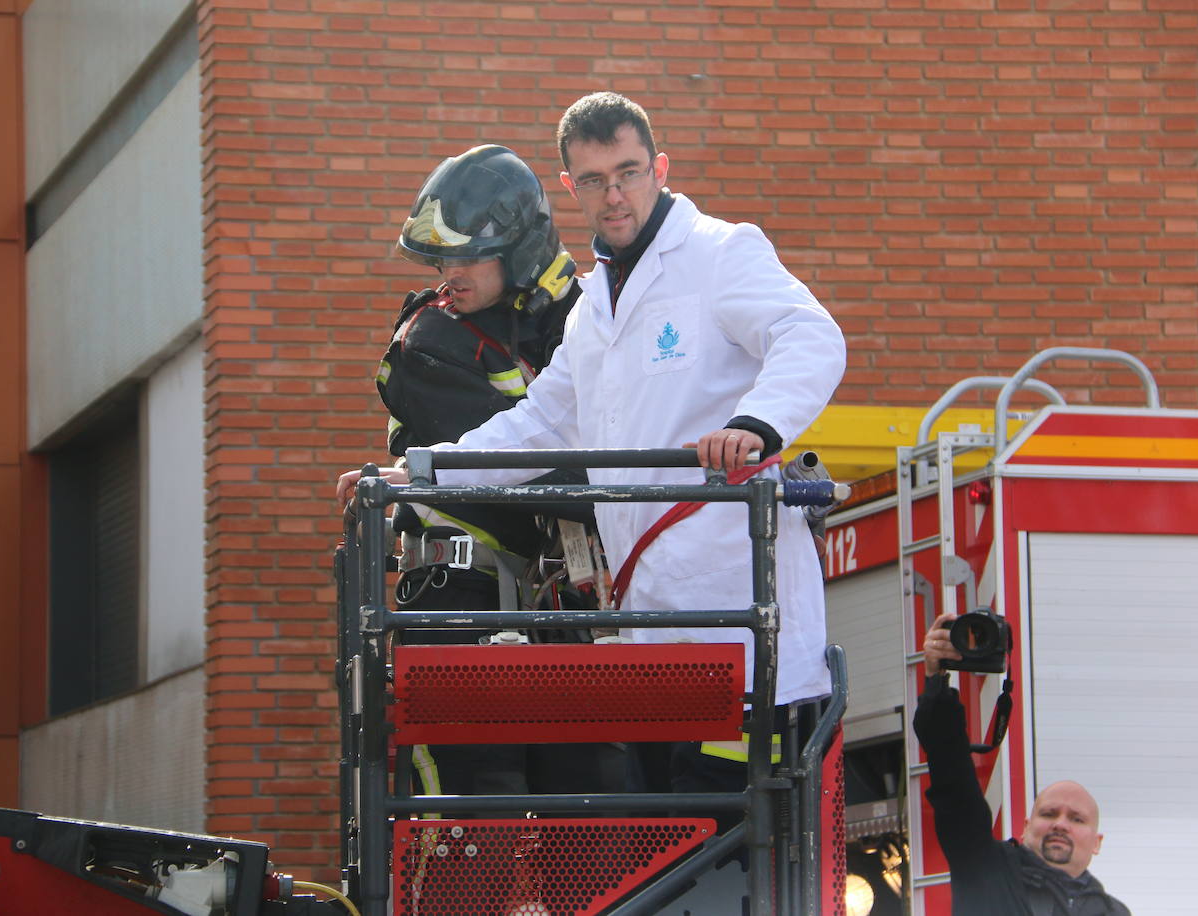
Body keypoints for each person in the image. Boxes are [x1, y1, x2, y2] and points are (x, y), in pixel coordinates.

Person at [339, 92, 846, 794]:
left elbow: (809, 335)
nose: (616, 195)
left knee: (742, 849)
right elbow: (539, 424)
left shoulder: (720, 252)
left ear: (659, 168)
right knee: (674, 848)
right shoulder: (591, 309)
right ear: (570, 188)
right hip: (654, 629)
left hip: (740, 623)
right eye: (594, 180)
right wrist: (423, 472)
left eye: (629, 172)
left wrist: (756, 425)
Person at [373, 143, 624, 797]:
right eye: (438, 256)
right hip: (458, 607)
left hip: (551, 609)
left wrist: (565, 296)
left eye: (463, 254)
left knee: (595, 808)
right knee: (475, 822)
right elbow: (534, 472)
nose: (444, 271)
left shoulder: (551, 322)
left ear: (517, 251)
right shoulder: (430, 342)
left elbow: (609, 367)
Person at [913, 613, 1131, 915]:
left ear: (1097, 842)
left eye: (1077, 819)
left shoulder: (1113, 912)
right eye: (1049, 813)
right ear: (1027, 827)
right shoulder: (985, 867)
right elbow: (952, 779)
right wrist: (936, 680)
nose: (1060, 824)